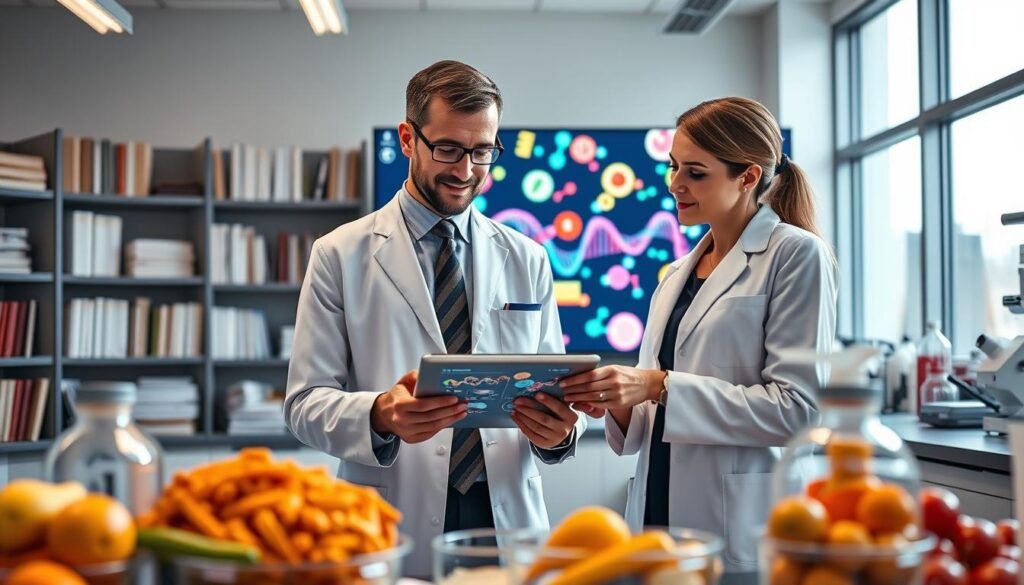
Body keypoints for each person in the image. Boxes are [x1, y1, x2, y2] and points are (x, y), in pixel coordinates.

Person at [284, 60, 584, 576]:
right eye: (447, 148)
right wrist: (379, 415)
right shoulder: (339, 253)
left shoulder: (527, 256)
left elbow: (551, 385)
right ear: (407, 138)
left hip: (504, 508)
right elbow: (304, 403)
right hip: (391, 502)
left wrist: (558, 435)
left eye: (482, 151)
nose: (465, 170)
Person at [561, 97, 838, 578]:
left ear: (748, 177)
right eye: (672, 167)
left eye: (695, 172)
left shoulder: (796, 255)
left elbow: (799, 411)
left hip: (742, 526)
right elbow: (650, 422)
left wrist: (657, 385)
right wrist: (617, 401)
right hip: (657, 514)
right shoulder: (675, 277)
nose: (675, 184)